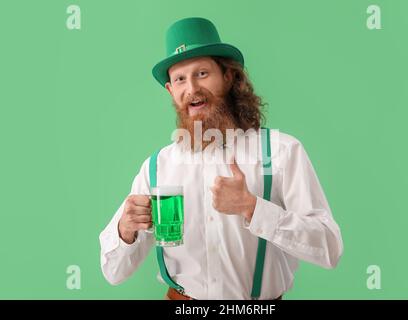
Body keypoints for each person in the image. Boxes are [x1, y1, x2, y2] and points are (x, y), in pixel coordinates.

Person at [99, 17, 344, 300]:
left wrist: (253, 208)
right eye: (180, 79)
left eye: (202, 73)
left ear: (227, 76)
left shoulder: (281, 151)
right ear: (171, 91)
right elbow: (113, 272)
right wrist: (125, 230)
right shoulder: (157, 168)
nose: (191, 88)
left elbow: (329, 248)